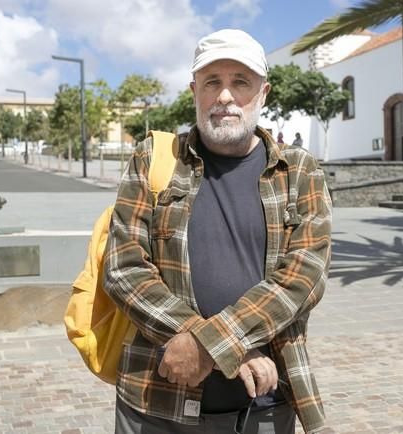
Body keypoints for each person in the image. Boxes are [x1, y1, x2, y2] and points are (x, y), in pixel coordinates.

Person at [104, 28, 332, 434]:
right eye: (213, 82)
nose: (225, 96)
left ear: (264, 93)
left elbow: (304, 276)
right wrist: (230, 349)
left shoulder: (299, 170)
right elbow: (125, 269)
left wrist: (210, 344)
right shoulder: (154, 159)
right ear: (195, 91)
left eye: (240, 82)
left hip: (263, 404)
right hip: (156, 404)